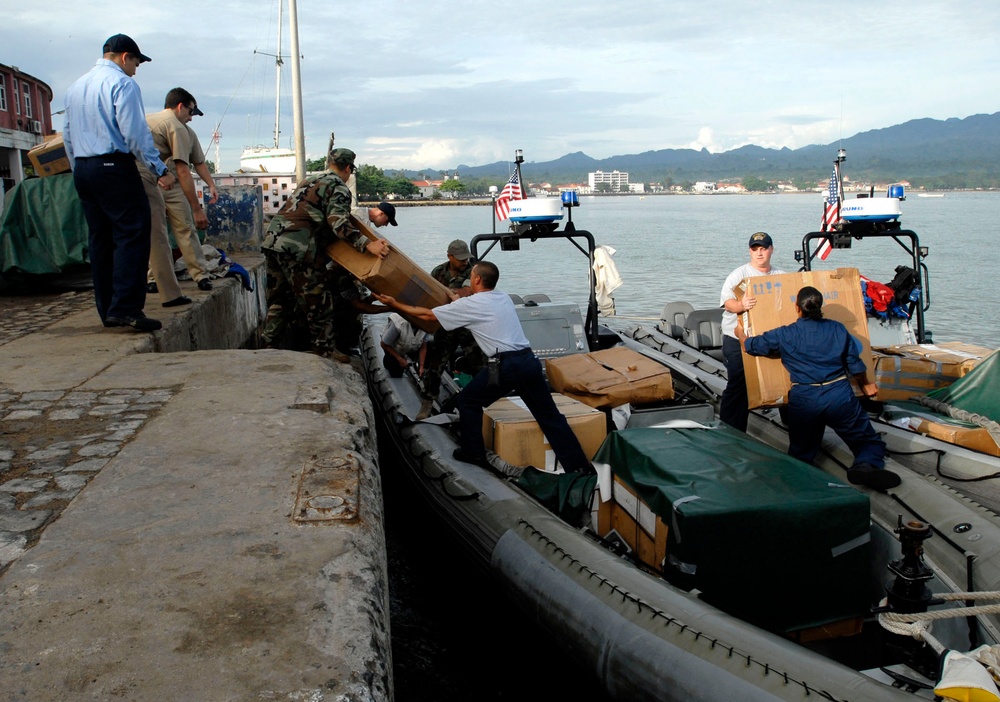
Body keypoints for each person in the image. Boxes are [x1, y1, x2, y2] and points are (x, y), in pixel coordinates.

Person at [374, 260, 593, 474]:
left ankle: (474, 452)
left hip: (506, 365)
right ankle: (579, 466)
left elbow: (428, 315)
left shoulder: (472, 305)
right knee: (549, 415)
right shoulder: (502, 297)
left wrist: (395, 305)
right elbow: (467, 302)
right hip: (529, 362)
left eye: (472, 276)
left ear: (477, 279)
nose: (470, 278)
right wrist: (453, 298)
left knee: (468, 401)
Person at [63, 34, 176, 332]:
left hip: (85, 168)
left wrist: (80, 168)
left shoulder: (75, 88)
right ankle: (126, 307)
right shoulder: (122, 84)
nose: (136, 70)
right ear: (125, 57)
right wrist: (159, 168)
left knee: (100, 238)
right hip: (114, 165)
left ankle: (108, 309)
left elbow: (68, 136)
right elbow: (135, 133)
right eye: (137, 63)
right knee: (133, 232)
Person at [735, 286, 900, 491]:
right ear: (820, 307)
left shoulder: (785, 333)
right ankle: (865, 465)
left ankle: (797, 486)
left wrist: (740, 333)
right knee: (868, 442)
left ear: (797, 308)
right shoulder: (837, 329)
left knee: (801, 451)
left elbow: (750, 346)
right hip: (838, 394)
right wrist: (866, 385)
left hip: (805, 397)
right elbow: (854, 365)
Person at [260, 146, 390, 361]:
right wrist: (368, 244)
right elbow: (338, 223)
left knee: (280, 298)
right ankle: (325, 351)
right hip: (298, 247)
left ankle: (268, 345)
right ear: (348, 168)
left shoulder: (309, 181)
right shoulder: (338, 187)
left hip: (273, 242)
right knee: (319, 300)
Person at [146, 87, 219, 292]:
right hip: (159, 180)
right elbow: (184, 170)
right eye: (190, 112)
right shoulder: (175, 127)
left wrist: (210, 184)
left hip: (155, 181)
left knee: (156, 233)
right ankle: (198, 276)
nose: (191, 118)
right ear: (180, 107)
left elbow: (199, 162)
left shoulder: (181, 131)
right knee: (184, 229)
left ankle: (155, 279)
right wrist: (197, 208)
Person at [719, 231, 785, 431]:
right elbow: (727, 303)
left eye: (763, 249)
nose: (759, 253)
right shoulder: (739, 274)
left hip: (768, 339)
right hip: (737, 338)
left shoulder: (781, 276)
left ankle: (790, 423)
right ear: (750, 251)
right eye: (755, 249)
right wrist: (741, 305)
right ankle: (731, 429)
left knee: (782, 379)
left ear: (771, 250)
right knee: (738, 383)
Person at [419, 239, 479, 418]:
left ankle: (482, 400)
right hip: (445, 326)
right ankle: (428, 401)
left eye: (466, 258)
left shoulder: (473, 271)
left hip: (467, 326)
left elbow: (467, 291)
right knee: (436, 365)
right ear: (449, 256)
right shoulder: (438, 271)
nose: (464, 262)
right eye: (460, 259)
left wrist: (446, 293)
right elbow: (429, 292)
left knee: (479, 363)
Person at [381, 313, 429, 378]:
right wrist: (400, 359)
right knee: (396, 374)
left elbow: (423, 347)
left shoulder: (426, 327)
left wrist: (421, 366)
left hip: (411, 346)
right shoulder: (399, 324)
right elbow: (384, 344)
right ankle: (388, 360)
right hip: (393, 348)